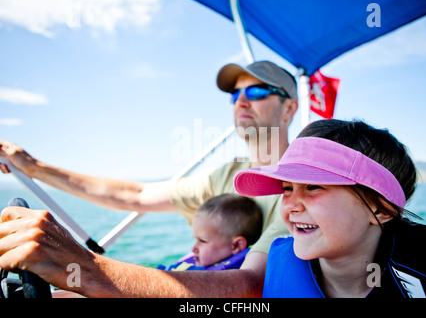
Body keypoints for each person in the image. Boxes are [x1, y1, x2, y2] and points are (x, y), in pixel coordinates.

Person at [0, 60, 298, 297]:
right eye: (235, 94)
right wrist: (35, 168)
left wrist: (85, 269)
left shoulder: (299, 186)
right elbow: (136, 196)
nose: (241, 101)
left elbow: (252, 286)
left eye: (257, 92)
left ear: (290, 109)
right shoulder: (228, 173)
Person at [234, 119, 426, 298]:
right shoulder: (282, 265)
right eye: (287, 188)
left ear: (380, 210)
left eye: (313, 186)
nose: (291, 204)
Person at [159, 193, 262, 271]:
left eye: (202, 241)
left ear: (236, 245)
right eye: (196, 239)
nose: (193, 248)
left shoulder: (221, 278)